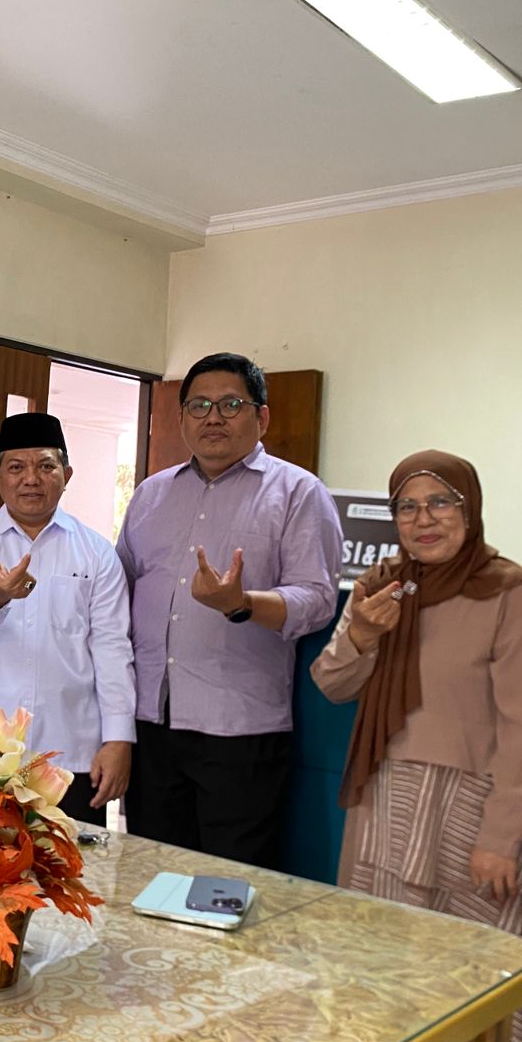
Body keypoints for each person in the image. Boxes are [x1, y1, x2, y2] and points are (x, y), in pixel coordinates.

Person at [312, 451, 522, 1042]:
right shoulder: (382, 585)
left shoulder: (514, 593)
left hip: (473, 816)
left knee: (476, 979)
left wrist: (501, 838)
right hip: (385, 808)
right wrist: (362, 636)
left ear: (470, 508)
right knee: (387, 975)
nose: (423, 519)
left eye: (442, 502)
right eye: (408, 505)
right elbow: (332, 683)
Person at [118, 352, 342, 867]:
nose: (212, 417)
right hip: (151, 721)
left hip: (239, 730)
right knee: (151, 871)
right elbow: (120, 590)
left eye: (230, 404)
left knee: (225, 882)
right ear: (181, 419)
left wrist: (241, 604)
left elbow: (317, 599)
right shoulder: (151, 495)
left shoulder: (298, 492)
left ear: (261, 417)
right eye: (198, 405)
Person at [0, 412, 134, 825]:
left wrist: (119, 738)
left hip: (70, 756)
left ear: (66, 474)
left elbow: (112, 647)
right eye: (16, 467)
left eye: (45, 466)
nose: (31, 478)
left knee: (71, 880)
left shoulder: (96, 552)